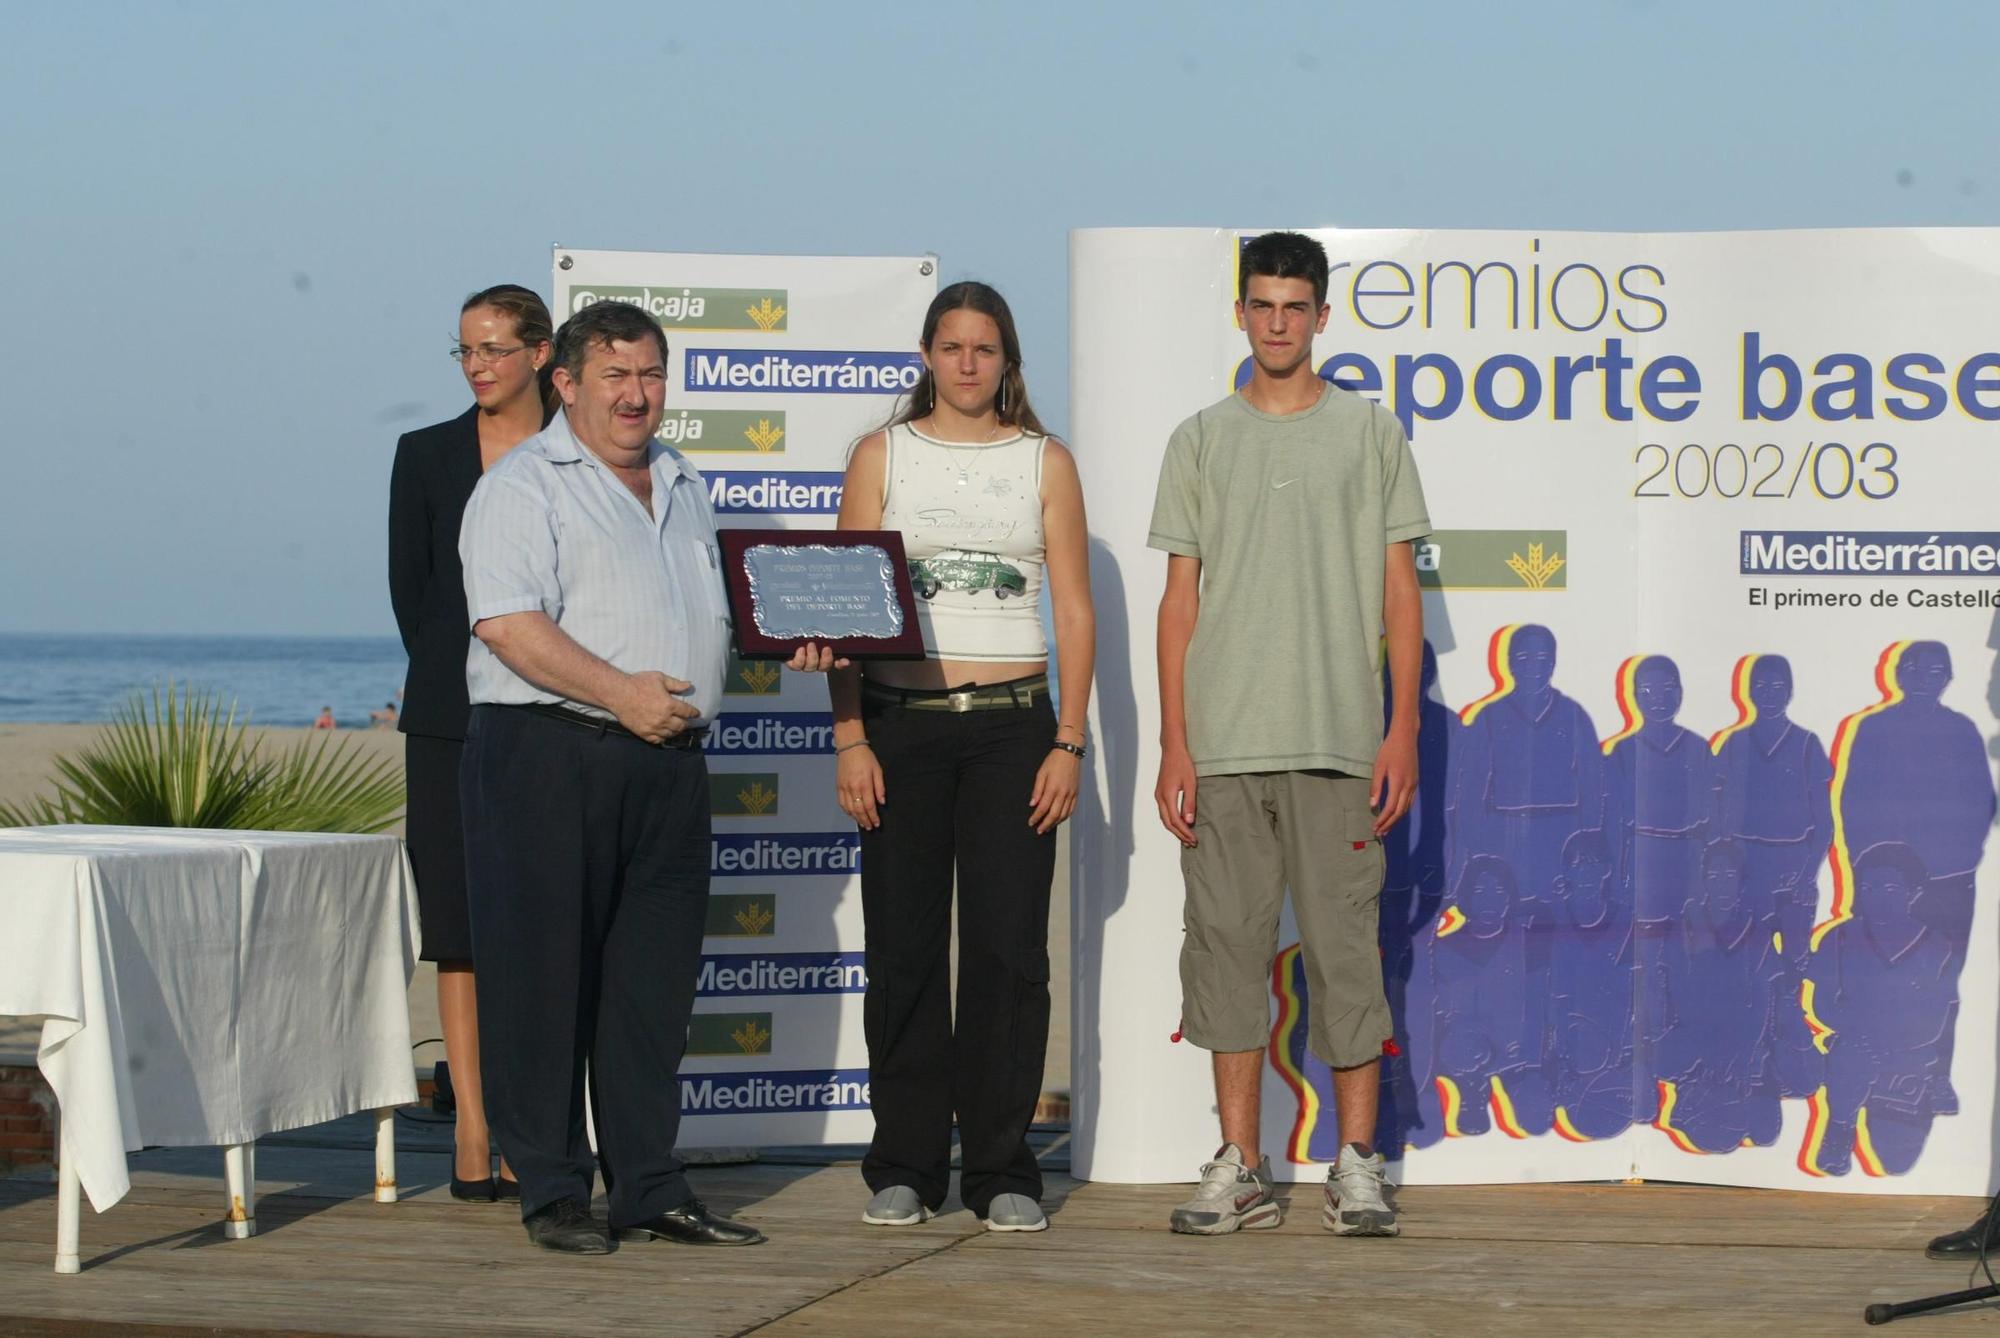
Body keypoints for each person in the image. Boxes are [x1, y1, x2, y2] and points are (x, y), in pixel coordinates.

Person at [457, 299, 762, 1254]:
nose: (638, 397)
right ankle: (551, 1188)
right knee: (543, 982)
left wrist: (800, 640)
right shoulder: (522, 487)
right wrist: (620, 694)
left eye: (652, 375)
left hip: (669, 766)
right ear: (568, 384)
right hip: (551, 755)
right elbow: (508, 624)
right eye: (617, 377)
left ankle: (648, 1184)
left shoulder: (682, 478)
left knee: (651, 990)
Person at [1150, 230, 1429, 1237]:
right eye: (1260, 305)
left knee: (1344, 956)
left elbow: (1400, 592)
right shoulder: (1198, 440)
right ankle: (1240, 1161)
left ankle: (1356, 1163)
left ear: (1320, 315)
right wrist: (1174, 744)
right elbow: (1177, 604)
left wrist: (1398, 731)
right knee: (1224, 953)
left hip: (1339, 742)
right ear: (1240, 313)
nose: (1277, 322)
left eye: (1293, 306)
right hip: (1222, 747)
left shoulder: (1368, 433)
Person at [803, 281, 1095, 1234]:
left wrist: (1069, 740)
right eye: (953, 347)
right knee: (905, 951)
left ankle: (1002, 1169)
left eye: (987, 349)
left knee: (1011, 954)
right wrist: (850, 736)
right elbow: (845, 608)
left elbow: (1076, 614)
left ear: (1009, 361)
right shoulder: (880, 455)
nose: (969, 364)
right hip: (901, 727)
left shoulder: (1046, 461)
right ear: (926, 355)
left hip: (1017, 729)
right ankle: (907, 1165)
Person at [388, 283, 555, 1203]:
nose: (477, 365)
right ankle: (474, 1125)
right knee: (459, 932)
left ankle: (537, 1127)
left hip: (561, 715)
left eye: (492, 347)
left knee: (539, 925)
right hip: (450, 718)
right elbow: (414, 597)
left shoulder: (582, 448)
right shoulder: (424, 455)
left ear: (538, 351)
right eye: (464, 350)